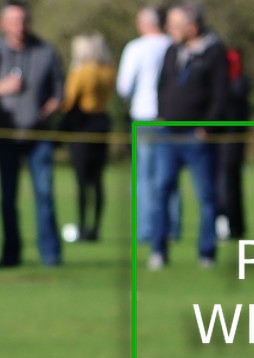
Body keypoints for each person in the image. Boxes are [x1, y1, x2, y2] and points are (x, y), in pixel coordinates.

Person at [148, 2, 229, 270]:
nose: (169, 30)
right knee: (161, 192)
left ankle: (206, 253)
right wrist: (161, 114)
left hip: (197, 137)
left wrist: (208, 126)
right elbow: (162, 85)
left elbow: (221, 94)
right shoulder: (172, 50)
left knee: (206, 196)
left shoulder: (214, 52)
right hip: (168, 133)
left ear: (192, 26)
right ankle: (158, 250)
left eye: (174, 25)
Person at [0, 1, 63, 267]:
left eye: (23, 21)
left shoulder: (47, 51)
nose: (19, 27)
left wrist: (48, 110)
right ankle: (11, 254)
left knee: (45, 195)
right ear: (3, 24)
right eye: (13, 21)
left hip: (39, 137)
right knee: (8, 198)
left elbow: (59, 91)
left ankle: (50, 255)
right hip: (5, 138)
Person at [116, 6, 177, 246]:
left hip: (144, 115)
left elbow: (124, 86)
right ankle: (172, 227)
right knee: (168, 173)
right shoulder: (171, 45)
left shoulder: (136, 48)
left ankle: (147, 229)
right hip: (170, 116)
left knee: (145, 176)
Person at [61, 32, 114, 242]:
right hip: (102, 123)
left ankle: (83, 227)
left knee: (82, 181)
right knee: (97, 180)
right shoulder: (108, 71)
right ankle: (96, 227)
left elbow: (69, 101)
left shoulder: (82, 72)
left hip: (83, 125)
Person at [214, 46, 249, 241]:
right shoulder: (239, 85)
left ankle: (228, 224)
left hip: (228, 143)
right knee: (229, 182)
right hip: (230, 142)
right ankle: (233, 225)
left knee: (226, 182)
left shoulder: (233, 87)